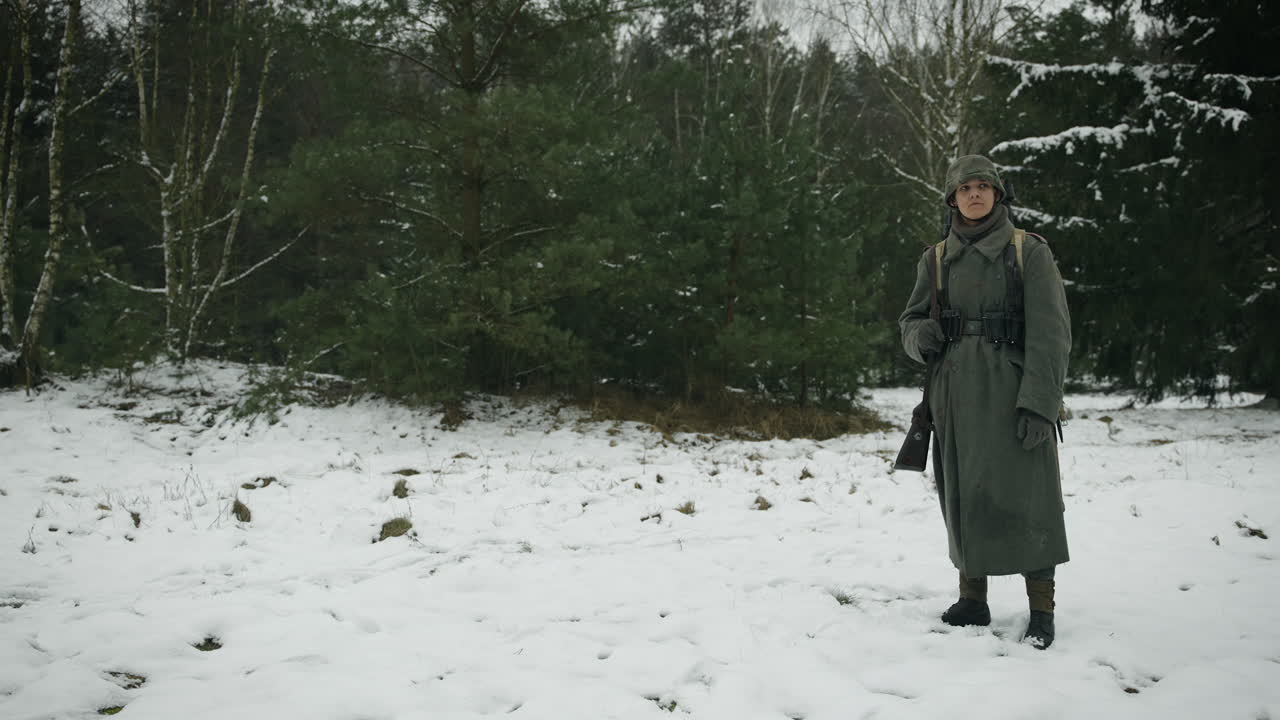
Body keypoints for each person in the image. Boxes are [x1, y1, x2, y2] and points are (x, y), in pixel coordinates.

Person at [898, 155, 1071, 649]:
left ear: (998, 194)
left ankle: (1041, 608)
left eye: (983, 186)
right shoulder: (933, 259)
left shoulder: (1028, 252)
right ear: (952, 199)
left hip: (1012, 393)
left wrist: (1040, 403)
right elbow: (909, 322)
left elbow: (1052, 335)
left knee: (1030, 498)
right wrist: (920, 336)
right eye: (964, 188)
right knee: (962, 494)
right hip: (952, 395)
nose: (974, 194)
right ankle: (972, 598)